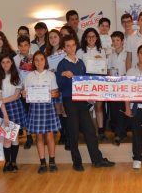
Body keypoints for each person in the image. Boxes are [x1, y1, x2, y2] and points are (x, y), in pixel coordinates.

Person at [56, 35, 115, 171]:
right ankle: (77, 162)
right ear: (64, 48)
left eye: (73, 45)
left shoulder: (80, 62)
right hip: (70, 101)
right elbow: (60, 85)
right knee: (73, 132)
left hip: (82, 101)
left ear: (76, 46)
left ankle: (97, 160)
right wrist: (64, 76)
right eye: (68, 46)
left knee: (89, 131)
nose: (71, 48)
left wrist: (100, 64)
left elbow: (87, 79)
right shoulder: (62, 64)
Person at [23, 51, 61, 174]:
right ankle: (43, 163)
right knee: (39, 137)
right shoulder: (29, 76)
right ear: (33, 62)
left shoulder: (51, 75)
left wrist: (54, 93)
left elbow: (56, 92)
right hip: (35, 108)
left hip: (48, 108)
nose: (39, 62)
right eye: (36, 60)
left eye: (41, 59)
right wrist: (24, 94)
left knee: (50, 136)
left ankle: (52, 161)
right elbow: (25, 94)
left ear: (45, 61)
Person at [0, 54, 27, 172]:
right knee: (7, 138)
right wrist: (5, 114)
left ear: (12, 63)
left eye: (8, 62)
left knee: (15, 137)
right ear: (0, 64)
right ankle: (7, 163)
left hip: (15, 106)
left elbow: (16, 95)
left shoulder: (16, 76)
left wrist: (2, 100)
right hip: (3, 108)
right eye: (3, 62)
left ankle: (13, 162)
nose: (5, 64)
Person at [77, 27, 107, 141]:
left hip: (98, 82)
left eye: (93, 36)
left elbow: (104, 69)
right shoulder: (80, 52)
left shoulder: (101, 51)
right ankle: (89, 132)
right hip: (85, 83)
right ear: (85, 38)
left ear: (96, 38)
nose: (91, 38)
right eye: (88, 36)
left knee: (98, 107)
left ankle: (101, 131)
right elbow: (78, 68)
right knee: (87, 109)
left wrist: (101, 62)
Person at [45, 29, 69, 150]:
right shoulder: (47, 53)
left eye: (55, 37)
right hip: (53, 85)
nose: (53, 39)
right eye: (50, 38)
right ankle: (62, 134)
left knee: (65, 110)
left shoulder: (64, 51)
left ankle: (68, 135)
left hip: (63, 85)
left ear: (59, 38)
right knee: (58, 110)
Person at [13, 35, 34, 149]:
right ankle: (29, 137)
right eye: (21, 46)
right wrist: (20, 89)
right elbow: (14, 76)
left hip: (35, 91)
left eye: (26, 45)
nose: (23, 48)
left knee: (34, 114)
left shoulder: (35, 58)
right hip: (22, 92)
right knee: (26, 115)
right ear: (18, 47)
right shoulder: (15, 60)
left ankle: (39, 135)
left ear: (29, 45)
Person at [107, 31, 128, 146]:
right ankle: (119, 132)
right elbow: (109, 70)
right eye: (113, 40)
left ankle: (119, 134)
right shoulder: (111, 55)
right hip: (113, 86)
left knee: (122, 109)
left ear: (122, 41)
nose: (115, 43)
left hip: (124, 85)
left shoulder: (127, 54)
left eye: (117, 40)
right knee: (115, 110)